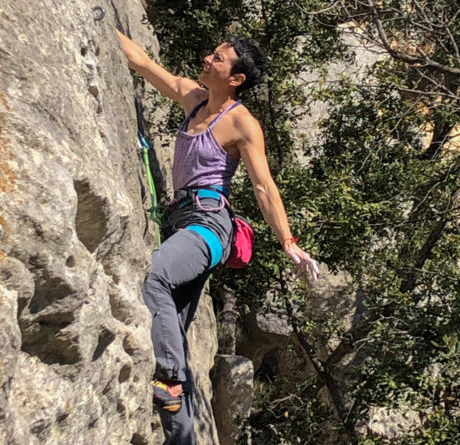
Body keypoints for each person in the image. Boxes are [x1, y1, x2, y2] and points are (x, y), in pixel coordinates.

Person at [117, 29, 319, 444]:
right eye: (212, 54)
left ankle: (170, 381)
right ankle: (182, 436)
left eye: (219, 59)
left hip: (209, 226)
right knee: (167, 322)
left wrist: (288, 242)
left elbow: (264, 187)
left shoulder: (242, 122)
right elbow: (144, 64)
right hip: (182, 222)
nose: (208, 59)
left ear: (236, 78)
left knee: (154, 277)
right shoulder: (193, 100)